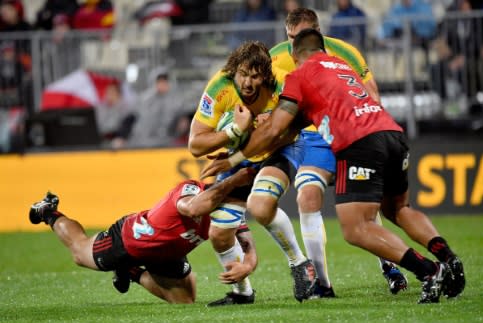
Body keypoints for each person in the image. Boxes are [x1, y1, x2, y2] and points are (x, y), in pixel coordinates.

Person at [202, 28, 466, 304]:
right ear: (324, 50)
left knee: (355, 229)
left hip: (359, 144)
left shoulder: (299, 76)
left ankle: (429, 271)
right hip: (392, 133)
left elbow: (273, 131)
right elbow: (299, 126)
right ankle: (448, 257)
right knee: (398, 209)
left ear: (294, 55)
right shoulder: (341, 65)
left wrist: (232, 158)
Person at [269, 7, 407, 297]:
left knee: (364, 205)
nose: (294, 44)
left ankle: (391, 267)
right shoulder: (276, 58)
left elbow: (372, 93)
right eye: (290, 37)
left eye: (300, 36)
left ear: (317, 32)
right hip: (314, 138)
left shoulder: (344, 51)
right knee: (306, 195)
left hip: (351, 133)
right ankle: (323, 284)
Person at [189, 41, 317, 305]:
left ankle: (299, 263)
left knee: (260, 206)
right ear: (234, 70)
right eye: (243, 74)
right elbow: (195, 145)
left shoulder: (282, 84)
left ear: (266, 75)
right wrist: (234, 132)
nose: (248, 83)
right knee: (219, 233)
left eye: (255, 76)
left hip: (281, 148)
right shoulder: (219, 87)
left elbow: (292, 130)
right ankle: (242, 293)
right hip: (239, 156)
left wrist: (254, 140)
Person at [28, 167, 258, 304]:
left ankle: (131, 271)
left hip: (167, 254)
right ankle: (50, 211)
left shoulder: (231, 212)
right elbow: (193, 209)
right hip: (131, 239)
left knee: (185, 300)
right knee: (80, 251)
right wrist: (233, 181)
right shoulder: (192, 189)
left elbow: (248, 246)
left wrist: (247, 266)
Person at [128, 70, 189, 148]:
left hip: (170, 143)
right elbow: (136, 120)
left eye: (165, 82)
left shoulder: (178, 100)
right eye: (160, 82)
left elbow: (183, 120)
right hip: (144, 143)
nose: (162, 85)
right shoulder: (145, 99)